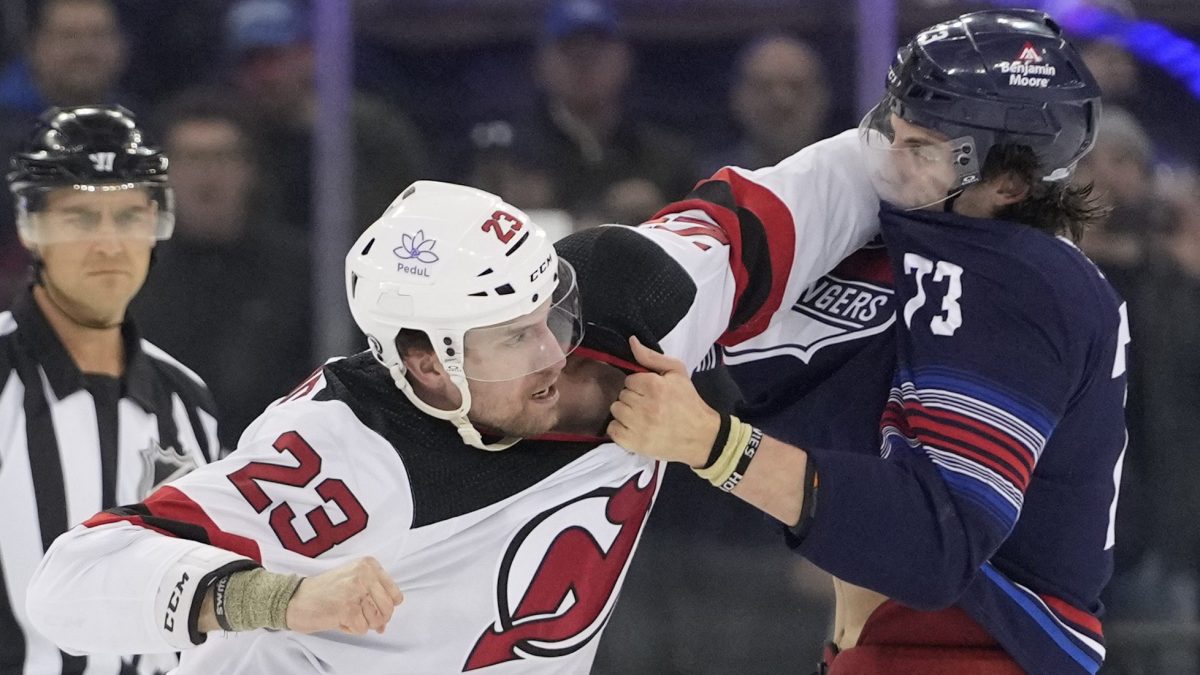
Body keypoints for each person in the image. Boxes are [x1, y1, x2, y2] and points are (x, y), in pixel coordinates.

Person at [24, 167, 881, 672]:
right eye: (512, 336)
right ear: (429, 362)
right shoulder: (342, 454)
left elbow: (829, 186)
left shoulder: (644, 307)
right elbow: (68, 582)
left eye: (552, 310)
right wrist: (279, 594)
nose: (553, 350)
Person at [606, 10, 1126, 675]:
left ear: (1009, 183)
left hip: (971, 655)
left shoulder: (1019, 283)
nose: (887, 162)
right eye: (892, 129)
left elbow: (935, 544)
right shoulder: (939, 241)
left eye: (926, 150)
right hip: (891, 649)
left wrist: (713, 444)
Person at [0, 105, 221, 674]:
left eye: (128, 217)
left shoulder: (186, 400)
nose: (109, 245)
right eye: (80, 218)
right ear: (31, 228)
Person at [133, 89, 313, 449]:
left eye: (222, 158)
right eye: (190, 159)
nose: (207, 175)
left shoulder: (303, 273)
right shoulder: (128, 275)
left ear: (251, 170)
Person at [0, 0, 135, 308]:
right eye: (69, 37)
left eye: (98, 36)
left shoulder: (147, 132)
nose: (85, 51)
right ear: (34, 47)